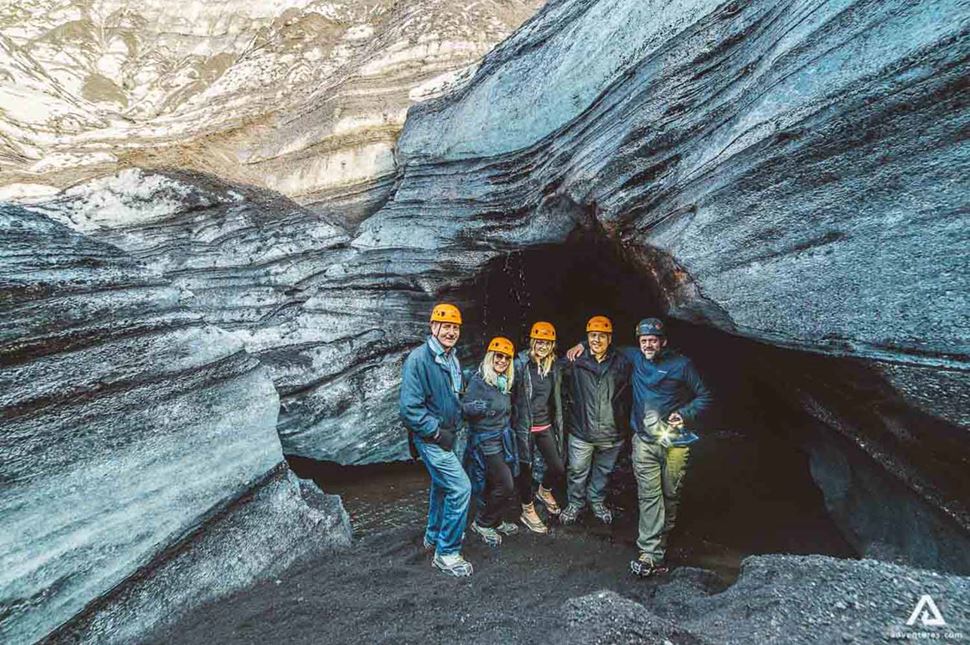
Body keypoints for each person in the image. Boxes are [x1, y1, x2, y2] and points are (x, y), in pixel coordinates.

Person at [568, 317, 711, 577]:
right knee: (650, 496)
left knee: (670, 494)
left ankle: (662, 540)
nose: (647, 345)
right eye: (644, 340)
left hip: (676, 443)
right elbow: (603, 345)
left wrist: (685, 413)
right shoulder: (633, 356)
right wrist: (581, 343)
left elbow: (704, 396)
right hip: (644, 440)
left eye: (652, 341)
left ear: (663, 342)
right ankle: (649, 553)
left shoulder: (682, 365)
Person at [399, 303, 473, 577]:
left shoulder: (452, 358)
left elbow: (454, 394)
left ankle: (433, 537)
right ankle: (447, 553)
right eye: (446, 326)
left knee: (442, 487)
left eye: (455, 327)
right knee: (460, 488)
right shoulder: (419, 360)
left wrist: (465, 410)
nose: (451, 332)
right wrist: (437, 432)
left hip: (449, 435)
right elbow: (409, 409)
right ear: (433, 327)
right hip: (432, 438)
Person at [559, 315, 632, 526]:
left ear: (610, 339)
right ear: (586, 337)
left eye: (602, 336)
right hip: (582, 431)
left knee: (603, 471)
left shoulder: (623, 363)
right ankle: (575, 503)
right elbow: (547, 370)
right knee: (577, 471)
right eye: (592, 336)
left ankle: (596, 501)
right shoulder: (575, 361)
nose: (596, 340)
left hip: (612, 432)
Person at [462, 336, 521, 546]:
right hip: (486, 442)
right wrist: (472, 408)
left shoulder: (504, 383)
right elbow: (464, 408)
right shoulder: (479, 381)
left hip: (502, 440)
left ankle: (495, 521)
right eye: (499, 356)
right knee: (506, 484)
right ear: (490, 356)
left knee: (498, 483)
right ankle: (482, 523)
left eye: (507, 357)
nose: (502, 360)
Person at [512, 321, 567, 534]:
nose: (542, 346)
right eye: (539, 342)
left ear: (552, 345)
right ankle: (527, 509)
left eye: (547, 343)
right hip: (524, 426)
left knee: (557, 466)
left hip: (544, 425)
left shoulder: (555, 365)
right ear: (533, 342)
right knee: (525, 469)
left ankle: (544, 491)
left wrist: (580, 345)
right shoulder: (520, 364)